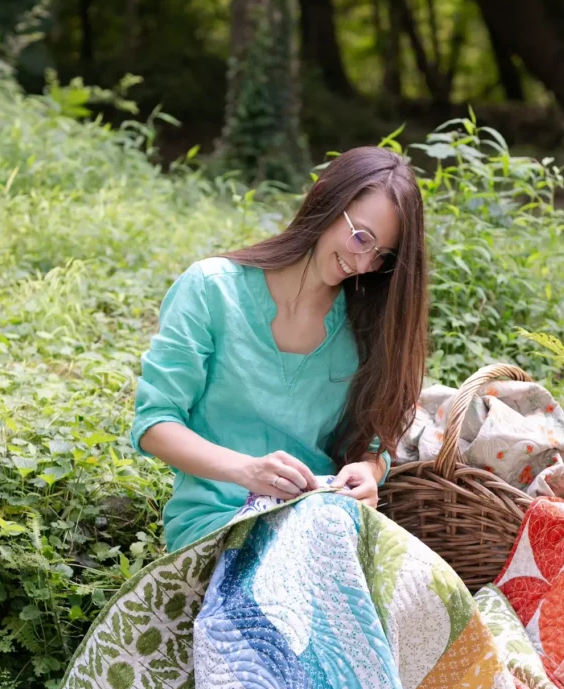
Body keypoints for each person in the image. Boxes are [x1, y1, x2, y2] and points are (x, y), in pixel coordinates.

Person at [131, 145, 427, 551]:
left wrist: (369, 470)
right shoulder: (212, 289)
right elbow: (155, 425)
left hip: (322, 525)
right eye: (362, 239)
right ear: (325, 199)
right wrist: (247, 470)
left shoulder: (365, 323)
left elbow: (372, 440)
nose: (362, 266)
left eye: (381, 257)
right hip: (216, 526)